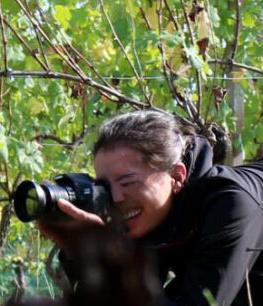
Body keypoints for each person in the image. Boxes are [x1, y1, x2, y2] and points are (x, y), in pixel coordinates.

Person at [38, 110, 263, 306]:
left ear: (176, 176)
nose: (116, 198)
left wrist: (111, 259)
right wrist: (83, 249)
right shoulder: (149, 213)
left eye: (127, 182)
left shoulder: (231, 203)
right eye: (105, 187)